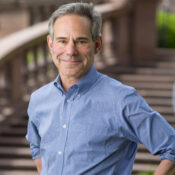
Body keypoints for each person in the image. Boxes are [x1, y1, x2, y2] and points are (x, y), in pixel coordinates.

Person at [26, 2, 175, 175]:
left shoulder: (122, 100)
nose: (70, 51)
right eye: (62, 41)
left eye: (81, 41)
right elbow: (36, 147)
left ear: (97, 44)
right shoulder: (38, 100)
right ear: (51, 44)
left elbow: (171, 147)